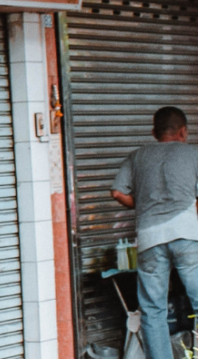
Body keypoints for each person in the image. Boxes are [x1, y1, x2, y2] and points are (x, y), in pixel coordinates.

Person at [112, 106, 198, 359]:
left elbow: (117, 192)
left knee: (153, 309)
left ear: (154, 132)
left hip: (150, 238)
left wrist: (149, 206)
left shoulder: (137, 155)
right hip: (186, 233)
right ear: (183, 131)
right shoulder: (193, 153)